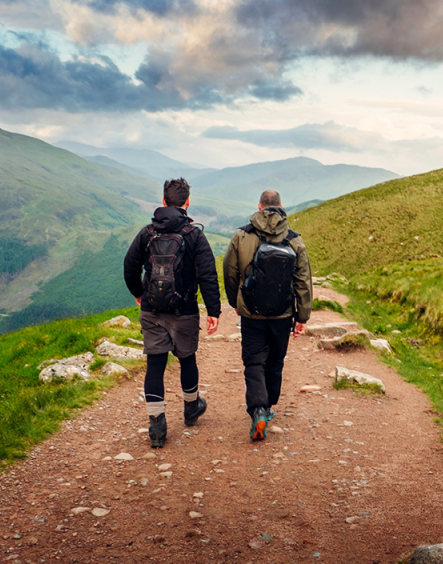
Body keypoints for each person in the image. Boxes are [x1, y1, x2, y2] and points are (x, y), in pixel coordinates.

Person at [123, 178, 221, 448]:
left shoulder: (147, 232)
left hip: (151, 309)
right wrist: (214, 310)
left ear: (164, 201)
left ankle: (157, 425)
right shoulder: (194, 234)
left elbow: (129, 265)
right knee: (187, 358)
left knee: (155, 363)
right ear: (187, 202)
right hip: (185, 309)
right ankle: (191, 408)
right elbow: (208, 274)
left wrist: (139, 293)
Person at [223, 189, 312, 441]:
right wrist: (302, 317)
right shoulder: (294, 240)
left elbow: (230, 271)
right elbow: (303, 281)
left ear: (259, 207)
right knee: (275, 361)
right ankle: (268, 405)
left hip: (251, 313)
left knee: (254, 362)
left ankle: (258, 409)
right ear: (281, 207)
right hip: (282, 315)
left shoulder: (241, 235)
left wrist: (235, 301)